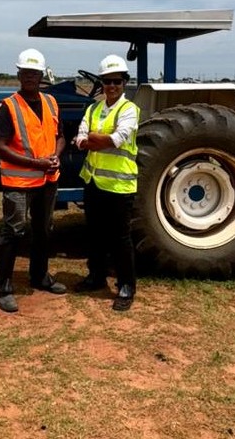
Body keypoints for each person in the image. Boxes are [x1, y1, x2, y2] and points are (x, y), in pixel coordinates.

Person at [0, 48, 67, 313]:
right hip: (19, 183)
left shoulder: (51, 102)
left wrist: (56, 156)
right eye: (26, 73)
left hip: (48, 179)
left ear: (41, 75)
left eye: (34, 73)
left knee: (44, 230)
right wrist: (37, 164)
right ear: (19, 74)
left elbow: (60, 136)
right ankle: (3, 287)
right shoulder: (9, 107)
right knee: (13, 232)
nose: (30, 78)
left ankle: (40, 276)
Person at [74, 54, 140, 311]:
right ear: (101, 83)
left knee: (120, 238)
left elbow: (118, 139)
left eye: (117, 81)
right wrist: (92, 138)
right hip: (93, 182)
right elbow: (79, 139)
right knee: (95, 234)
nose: (112, 86)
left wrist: (93, 138)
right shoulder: (93, 108)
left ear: (124, 83)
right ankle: (96, 276)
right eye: (107, 81)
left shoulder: (130, 110)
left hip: (119, 186)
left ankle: (126, 286)